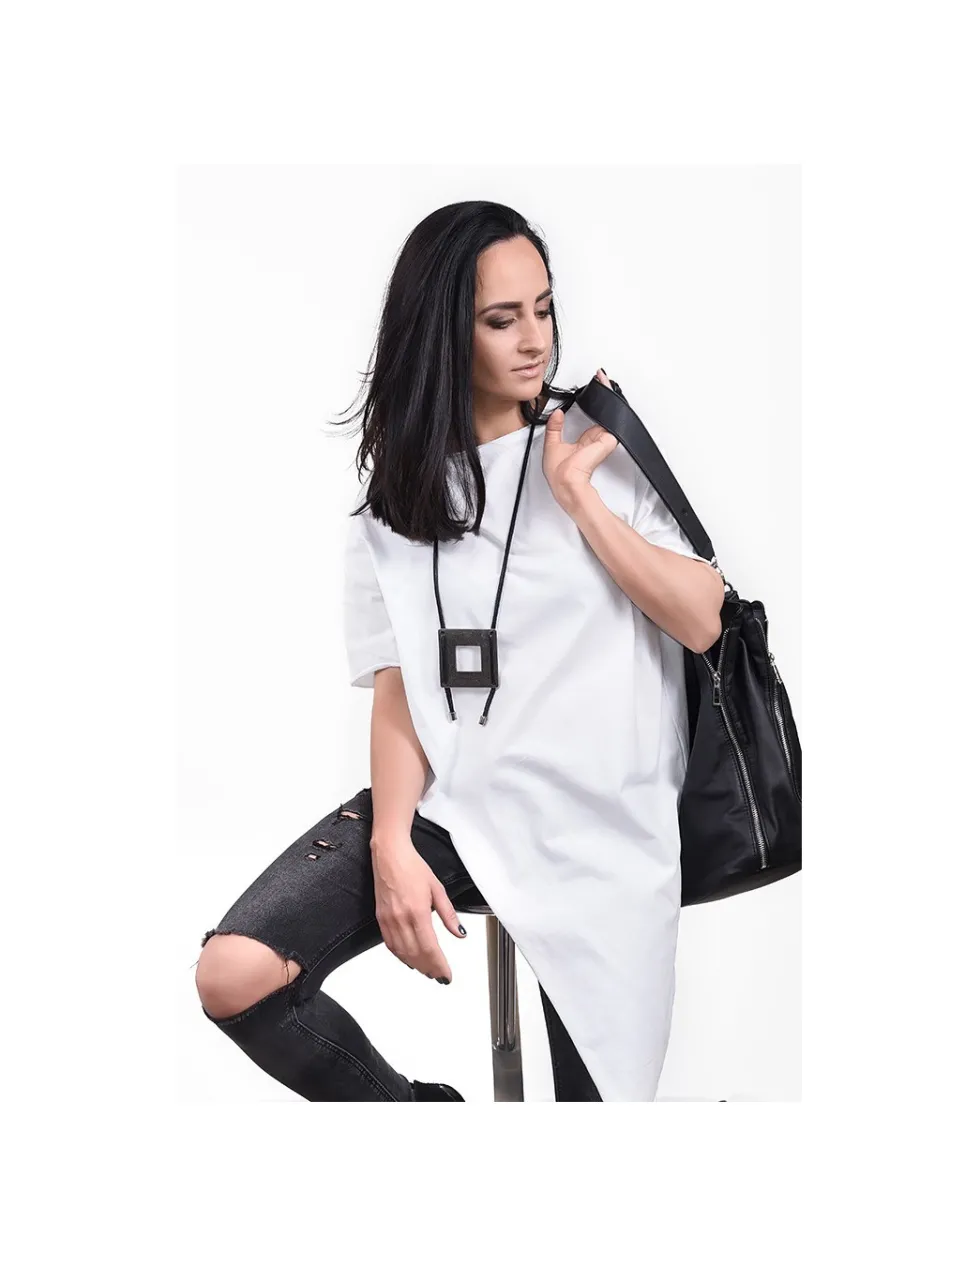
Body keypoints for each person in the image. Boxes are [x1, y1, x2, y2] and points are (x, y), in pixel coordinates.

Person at [194, 200, 725, 1101]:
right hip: (461, 807)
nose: (535, 340)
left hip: (600, 824)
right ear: (444, 330)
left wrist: (581, 501)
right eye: (501, 319)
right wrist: (391, 842)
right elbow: (401, 688)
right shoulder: (394, 503)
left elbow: (702, 619)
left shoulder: (594, 445)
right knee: (234, 971)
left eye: (543, 309)